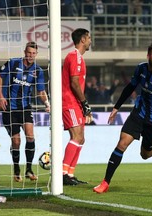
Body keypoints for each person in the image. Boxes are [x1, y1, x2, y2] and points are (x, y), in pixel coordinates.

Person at [93, 42, 152, 194]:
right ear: (148, 55)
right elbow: (130, 87)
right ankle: (105, 182)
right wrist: (116, 107)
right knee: (122, 143)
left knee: (145, 155)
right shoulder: (141, 68)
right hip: (139, 113)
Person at [0, 41, 50, 182]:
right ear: (24, 52)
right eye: (29, 52)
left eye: (33, 53)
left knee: (30, 136)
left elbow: (41, 91)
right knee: (16, 141)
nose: (31, 56)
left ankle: (29, 170)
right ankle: (16, 169)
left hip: (25, 107)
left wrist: (46, 102)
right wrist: (0, 96)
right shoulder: (13, 63)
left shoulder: (37, 71)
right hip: (10, 108)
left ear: (36, 54)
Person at [61, 28, 93, 186]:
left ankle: (70, 174)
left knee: (81, 138)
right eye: (89, 38)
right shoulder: (74, 57)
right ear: (82, 40)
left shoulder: (78, 58)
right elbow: (74, 82)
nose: (90, 41)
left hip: (75, 103)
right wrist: (84, 103)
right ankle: (62, 174)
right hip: (70, 102)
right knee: (76, 136)